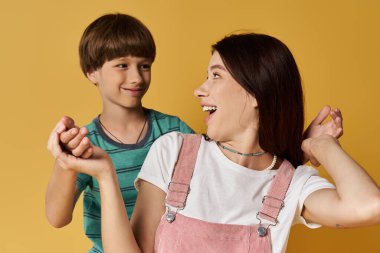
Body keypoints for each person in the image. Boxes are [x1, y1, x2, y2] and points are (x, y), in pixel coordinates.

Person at [48, 32, 378, 252]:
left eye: (216, 75)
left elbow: (370, 206)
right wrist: (105, 174)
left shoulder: (294, 184)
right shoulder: (174, 150)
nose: (199, 90)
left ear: (256, 92)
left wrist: (319, 146)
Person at [45, 13, 194, 253]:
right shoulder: (87, 143)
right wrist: (65, 161)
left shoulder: (173, 130)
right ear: (92, 71)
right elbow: (56, 218)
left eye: (144, 66)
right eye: (122, 65)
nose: (136, 78)